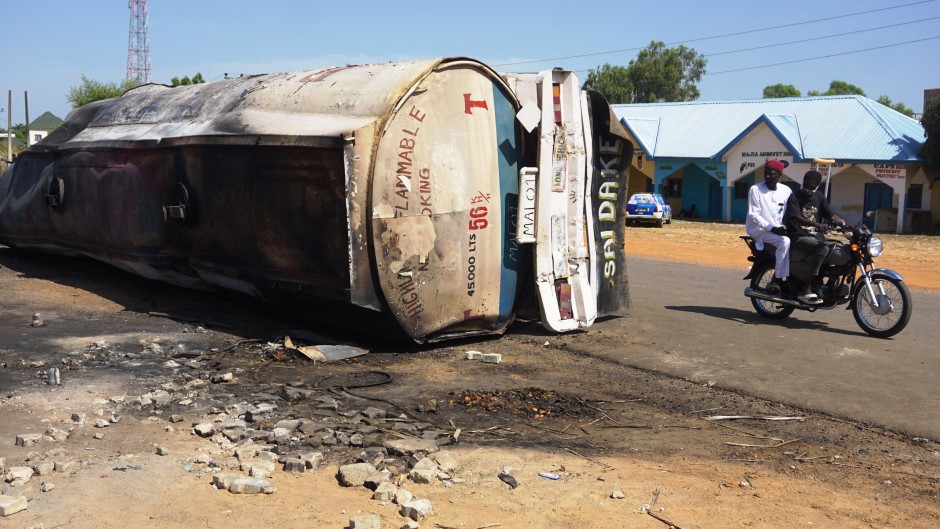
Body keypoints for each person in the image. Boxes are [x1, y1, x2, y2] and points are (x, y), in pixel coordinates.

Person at [785, 170, 845, 305]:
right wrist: (815, 224)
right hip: (798, 235)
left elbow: (831, 214)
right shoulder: (795, 197)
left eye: (811, 186)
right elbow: (796, 218)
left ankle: (828, 283)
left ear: (817, 186)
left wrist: (843, 223)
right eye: (806, 184)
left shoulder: (819, 197)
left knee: (838, 249)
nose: (807, 188)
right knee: (823, 249)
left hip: (816, 236)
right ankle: (806, 288)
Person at [746, 159, 791, 290]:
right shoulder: (755, 189)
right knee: (785, 242)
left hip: (777, 227)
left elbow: (792, 209)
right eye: (766, 173)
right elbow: (753, 215)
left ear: (779, 175)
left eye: (771, 174)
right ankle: (778, 279)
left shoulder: (786, 190)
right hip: (758, 229)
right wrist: (772, 228)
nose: (767, 176)